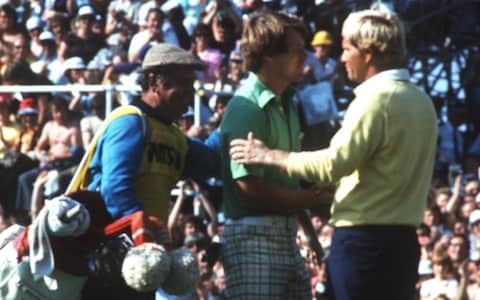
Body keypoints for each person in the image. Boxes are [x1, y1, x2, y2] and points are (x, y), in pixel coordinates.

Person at [229, 9, 438, 300]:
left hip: (364, 244)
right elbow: (384, 168)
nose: (341, 58)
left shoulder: (375, 99)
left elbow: (332, 164)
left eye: (347, 49)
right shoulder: (422, 101)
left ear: (368, 53)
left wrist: (270, 155)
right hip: (403, 245)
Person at [78, 43, 219, 299]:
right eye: (183, 84)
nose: (190, 94)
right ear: (154, 81)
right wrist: (145, 240)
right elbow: (115, 190)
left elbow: (212, 161)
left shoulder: (175, 137)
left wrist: (230, 122)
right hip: (111, 258)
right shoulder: (130, 123)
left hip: (142, 260)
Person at [219, 11, 333, 299]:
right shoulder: (247, 107)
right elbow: (250, 189)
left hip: (286, 236)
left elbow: (288, 181)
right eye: (297, 50)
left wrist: (309, 234)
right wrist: (312, 199)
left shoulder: (289, 103)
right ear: (270, 54)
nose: (305, 57)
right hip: (252, 239)